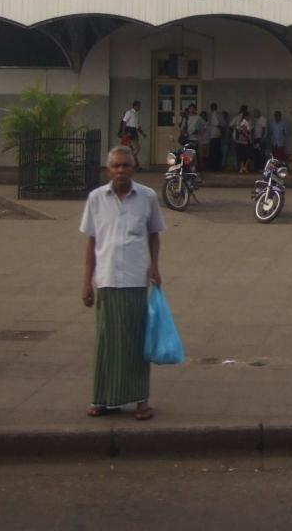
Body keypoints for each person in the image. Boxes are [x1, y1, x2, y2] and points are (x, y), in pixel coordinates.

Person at [80, 146, 164, 420]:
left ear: (134, 168)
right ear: (108, 170)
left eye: (125, 165)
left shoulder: (147, 197)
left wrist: (155, 266)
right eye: (115, 166)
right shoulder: (96, 198)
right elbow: (91, 242)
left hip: (135, 280)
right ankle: (104, 399)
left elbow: (154, 234)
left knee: (135, 341)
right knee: (107, 342)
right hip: (106, 279)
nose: (121, 170)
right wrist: (86, 282)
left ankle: (140, 400)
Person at [119, 101, 144, 169]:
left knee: (133, 149)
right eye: (139, 106)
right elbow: (124, 121)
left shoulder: (136, 114)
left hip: (134, 131)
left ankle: (134, 165)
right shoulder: (129, 112)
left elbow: (137, 125)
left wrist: (143, 134)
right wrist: (123, 132)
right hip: (130, 131)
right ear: (135, 106)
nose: (139, 107)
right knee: (137, 148)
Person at [232, 106, 253, 173]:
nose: (249, 117)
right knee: (245, 155)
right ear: (246, 116)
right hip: (244, 141)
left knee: (243, 155)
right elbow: (243, 131)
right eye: (248, 116)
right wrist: (248, 137)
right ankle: (243, 167)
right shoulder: (244, 122)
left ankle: (243, 167)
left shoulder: (244, 122)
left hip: (242, 141)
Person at [207, 102, 223, 172]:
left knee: (214, 152)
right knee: (217, 152)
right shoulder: (218, 114)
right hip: (217, 135)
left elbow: (217, 124)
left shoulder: (214, 114)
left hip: (214, 135)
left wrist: (220, 128)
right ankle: (216, 166)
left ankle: (214, 167)